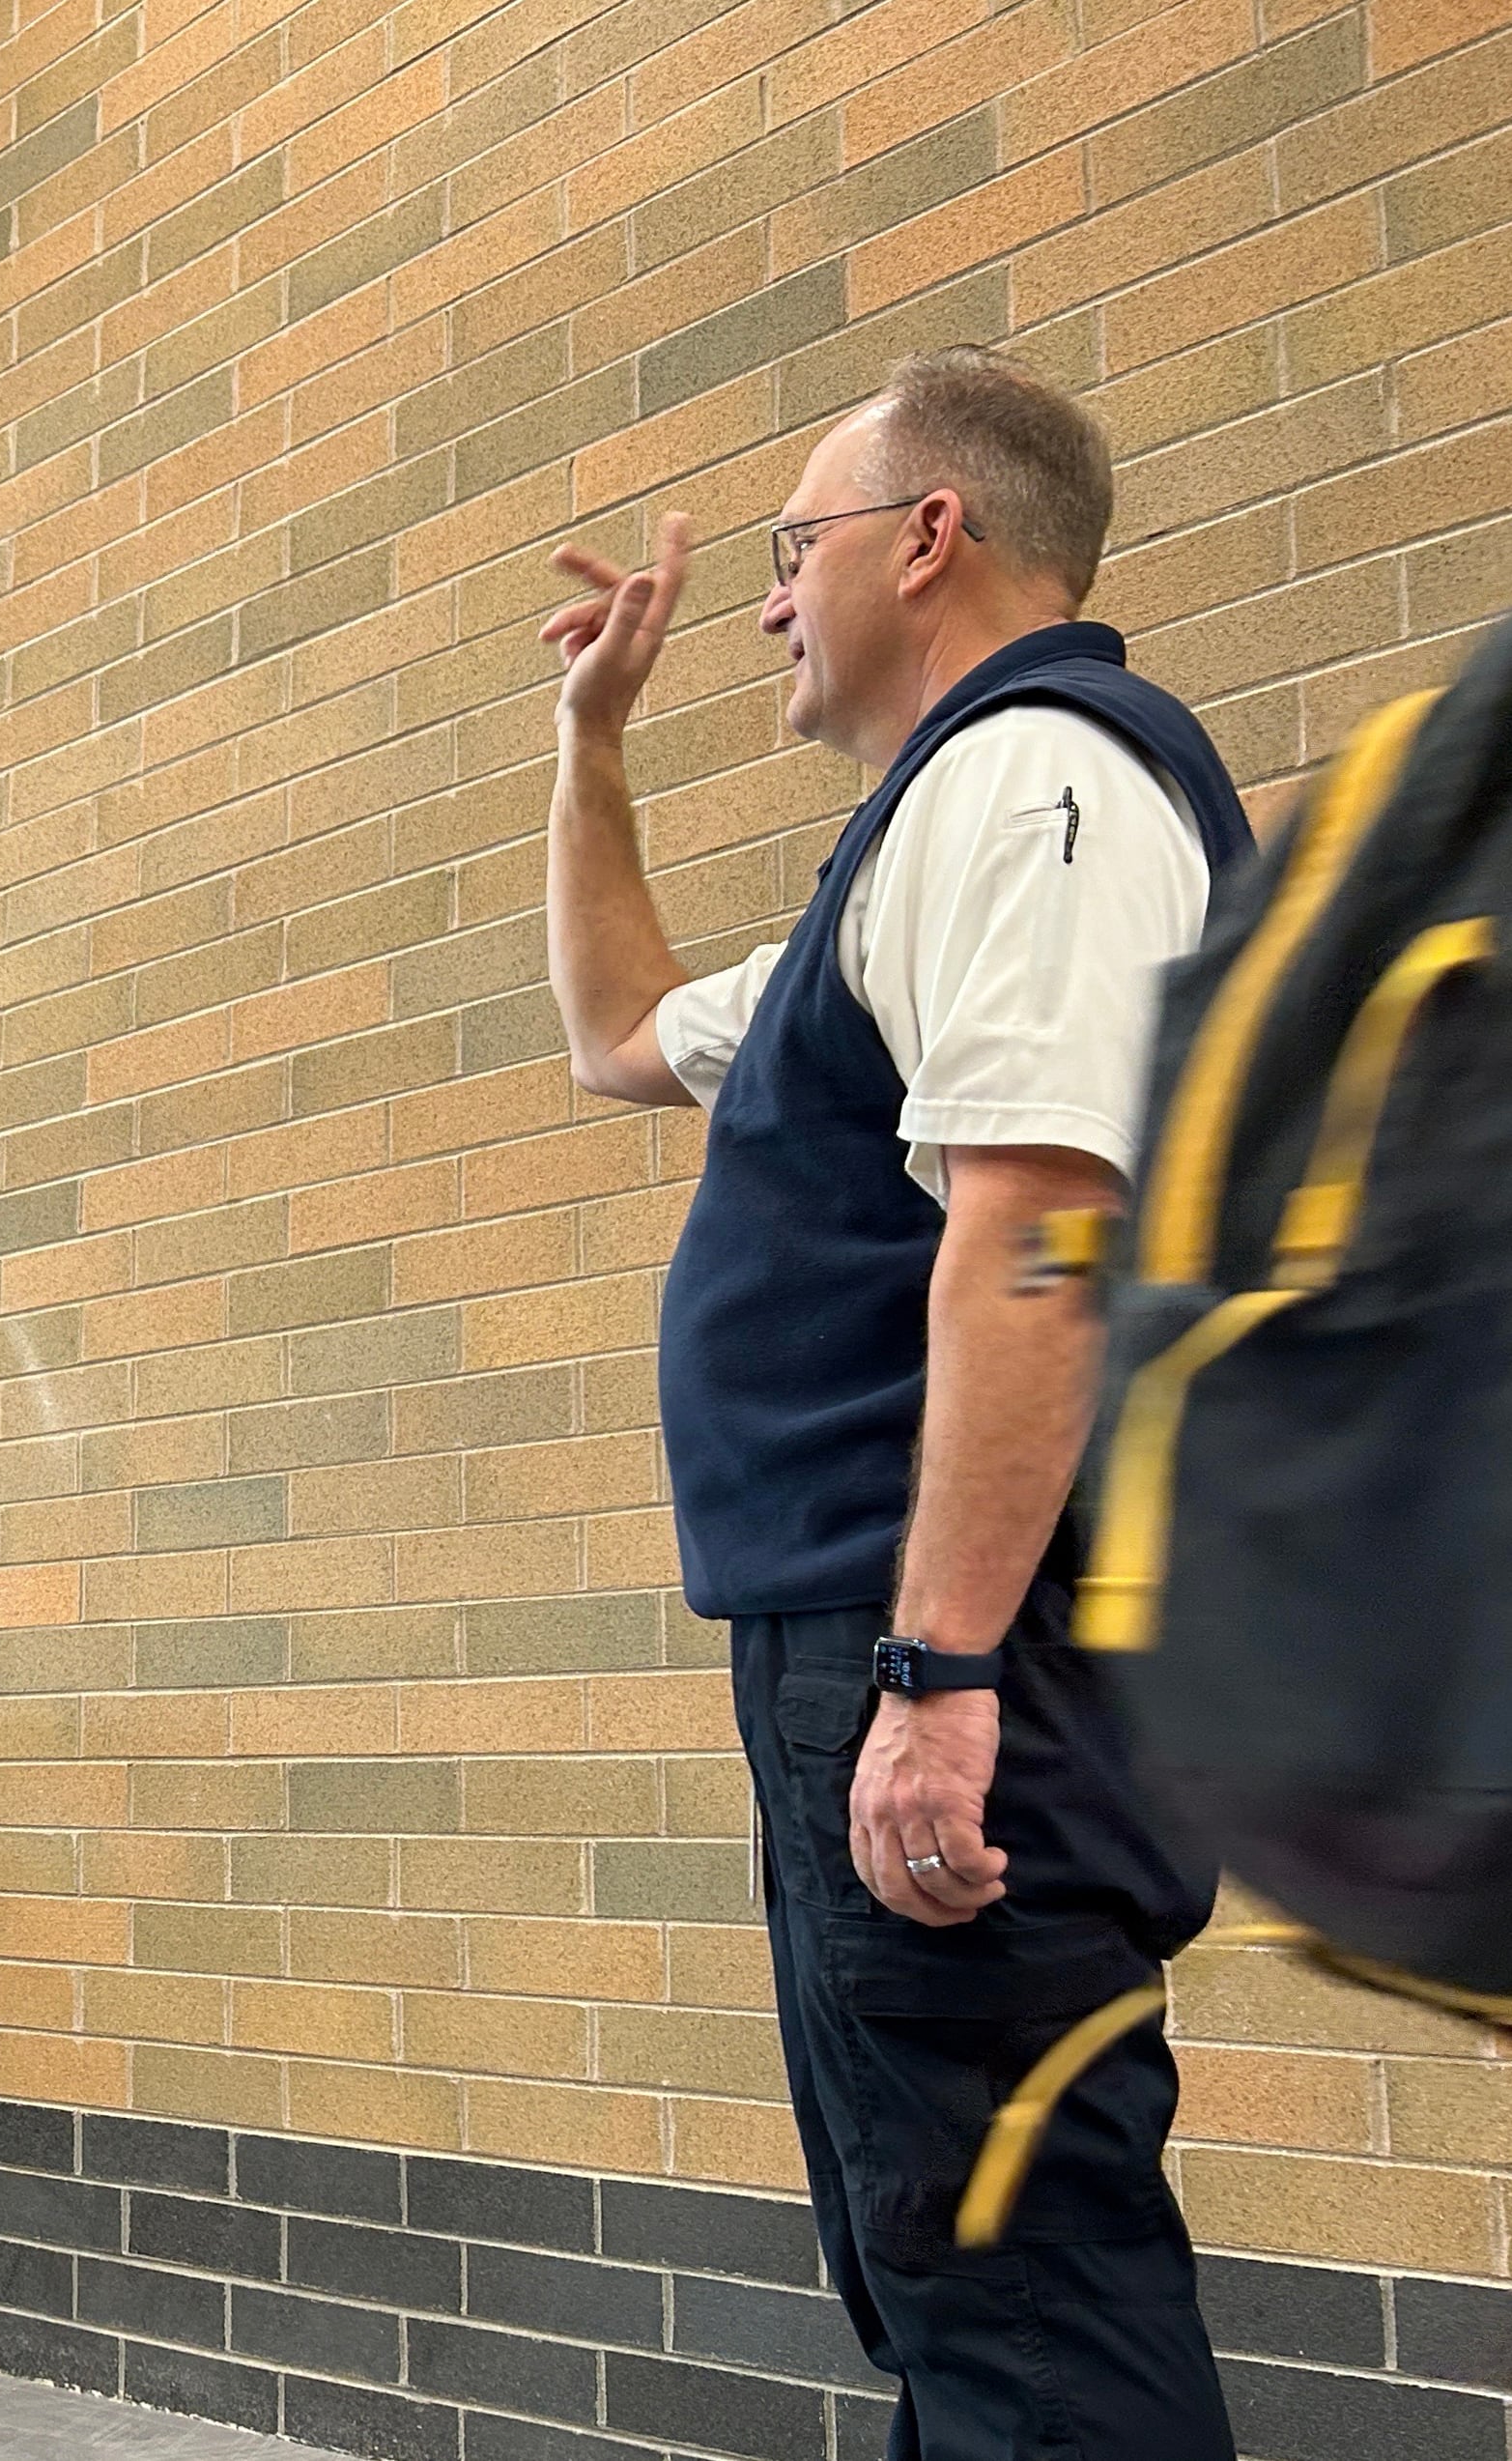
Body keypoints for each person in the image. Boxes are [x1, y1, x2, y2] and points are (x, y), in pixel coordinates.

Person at [539, 347, 1253, 2454]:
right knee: (943, 2260)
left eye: (789, 553)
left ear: (924, 537)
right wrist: (586, 743)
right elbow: (607, 1035)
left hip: (960, 1647)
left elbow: (1033, 1229)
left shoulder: (1035, 782)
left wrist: (936, 1670)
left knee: (1015, 2284)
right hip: (888, 1637)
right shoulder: (912, 844)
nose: (765, 601)